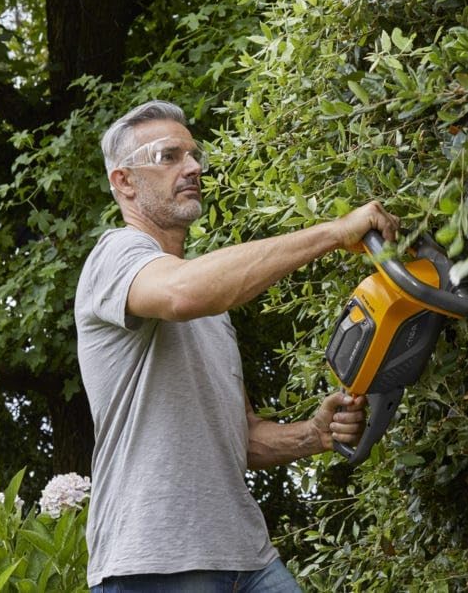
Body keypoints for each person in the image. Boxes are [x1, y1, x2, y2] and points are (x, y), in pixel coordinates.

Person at [75, 100, 399, 592]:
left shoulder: (214, 305)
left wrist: (314, 434)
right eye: (168, 156)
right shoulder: (115, 257)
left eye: (193, 155)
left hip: (246, 557)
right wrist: (334, 232)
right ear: (124, 182)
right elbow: (180, 292)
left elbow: (241, 438)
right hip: (154, 561)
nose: (192, 167)